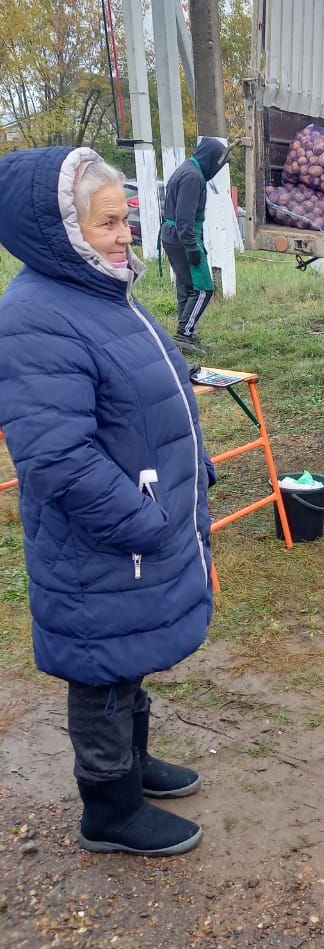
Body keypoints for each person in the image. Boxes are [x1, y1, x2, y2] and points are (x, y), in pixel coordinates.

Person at [0, 146, 216, 855]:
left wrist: (197, 467)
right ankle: (110, 809)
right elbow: (56, 456)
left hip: (133, 528)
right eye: (107, 224)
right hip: (101, 537)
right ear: (60, 229)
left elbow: (154, 400)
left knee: (129, 649)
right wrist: (142, 521)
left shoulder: (105, 292)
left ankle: (135, 763)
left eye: (126, 219)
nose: (127, 236)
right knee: (101, 663)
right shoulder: (34, 316)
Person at [160, 137, 229, 354]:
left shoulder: (188, 170)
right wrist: (191, 247)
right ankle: (184, 335)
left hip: (173, 235)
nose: (219, 169)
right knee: (203, 289)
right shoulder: (193, 177)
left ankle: (187, 336)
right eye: (220, 164)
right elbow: (184, 218)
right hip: (183, 237)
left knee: (186, 287)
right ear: (211, 159)